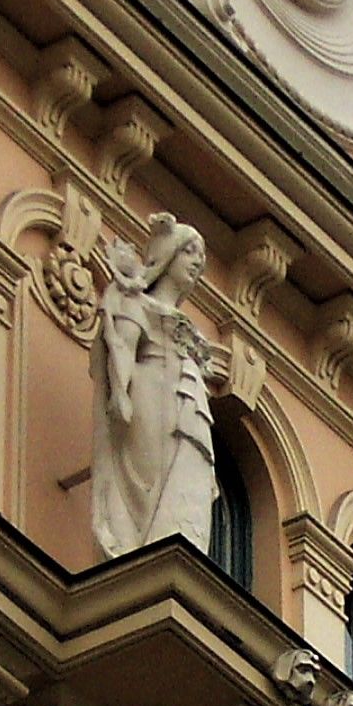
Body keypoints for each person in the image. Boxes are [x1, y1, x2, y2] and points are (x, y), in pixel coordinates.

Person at [91, 215, 219, 556]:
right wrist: (119, 392)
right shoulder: (138, 304)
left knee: (188, 478)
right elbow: (122, 346)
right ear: (168, 253)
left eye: (201, 258)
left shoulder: (181, 322)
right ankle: (139, 547)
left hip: (189, 410)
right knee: (150, 481)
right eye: (190, 252)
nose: (197, 263)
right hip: (151, 393)